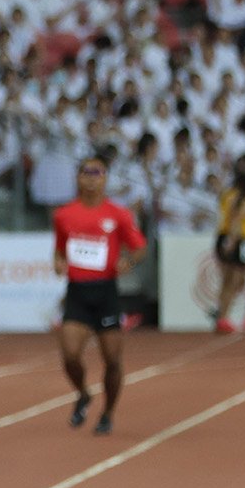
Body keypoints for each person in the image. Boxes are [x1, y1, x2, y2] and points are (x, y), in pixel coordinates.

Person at [52, 153, 148, 437]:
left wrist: (128, 262)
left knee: (113, 360)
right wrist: (58, 261)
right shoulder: (64, 214)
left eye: (97, 172)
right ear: (78, 177)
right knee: (69, 354)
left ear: (105, 178)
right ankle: (83, 393)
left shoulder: (118, 214)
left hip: (105, 292)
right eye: (86, 172)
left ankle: (107, 412)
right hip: (77, 293)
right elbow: (59, 248)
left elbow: (139, 247)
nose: (91, 178)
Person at [211, 169, 245, 333]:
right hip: (244, 243)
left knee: (233, 280)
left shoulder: (239, 199)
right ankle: (244, 317)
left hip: (243, 242)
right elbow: (236, 222)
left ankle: (223, 315)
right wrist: (232, 241)